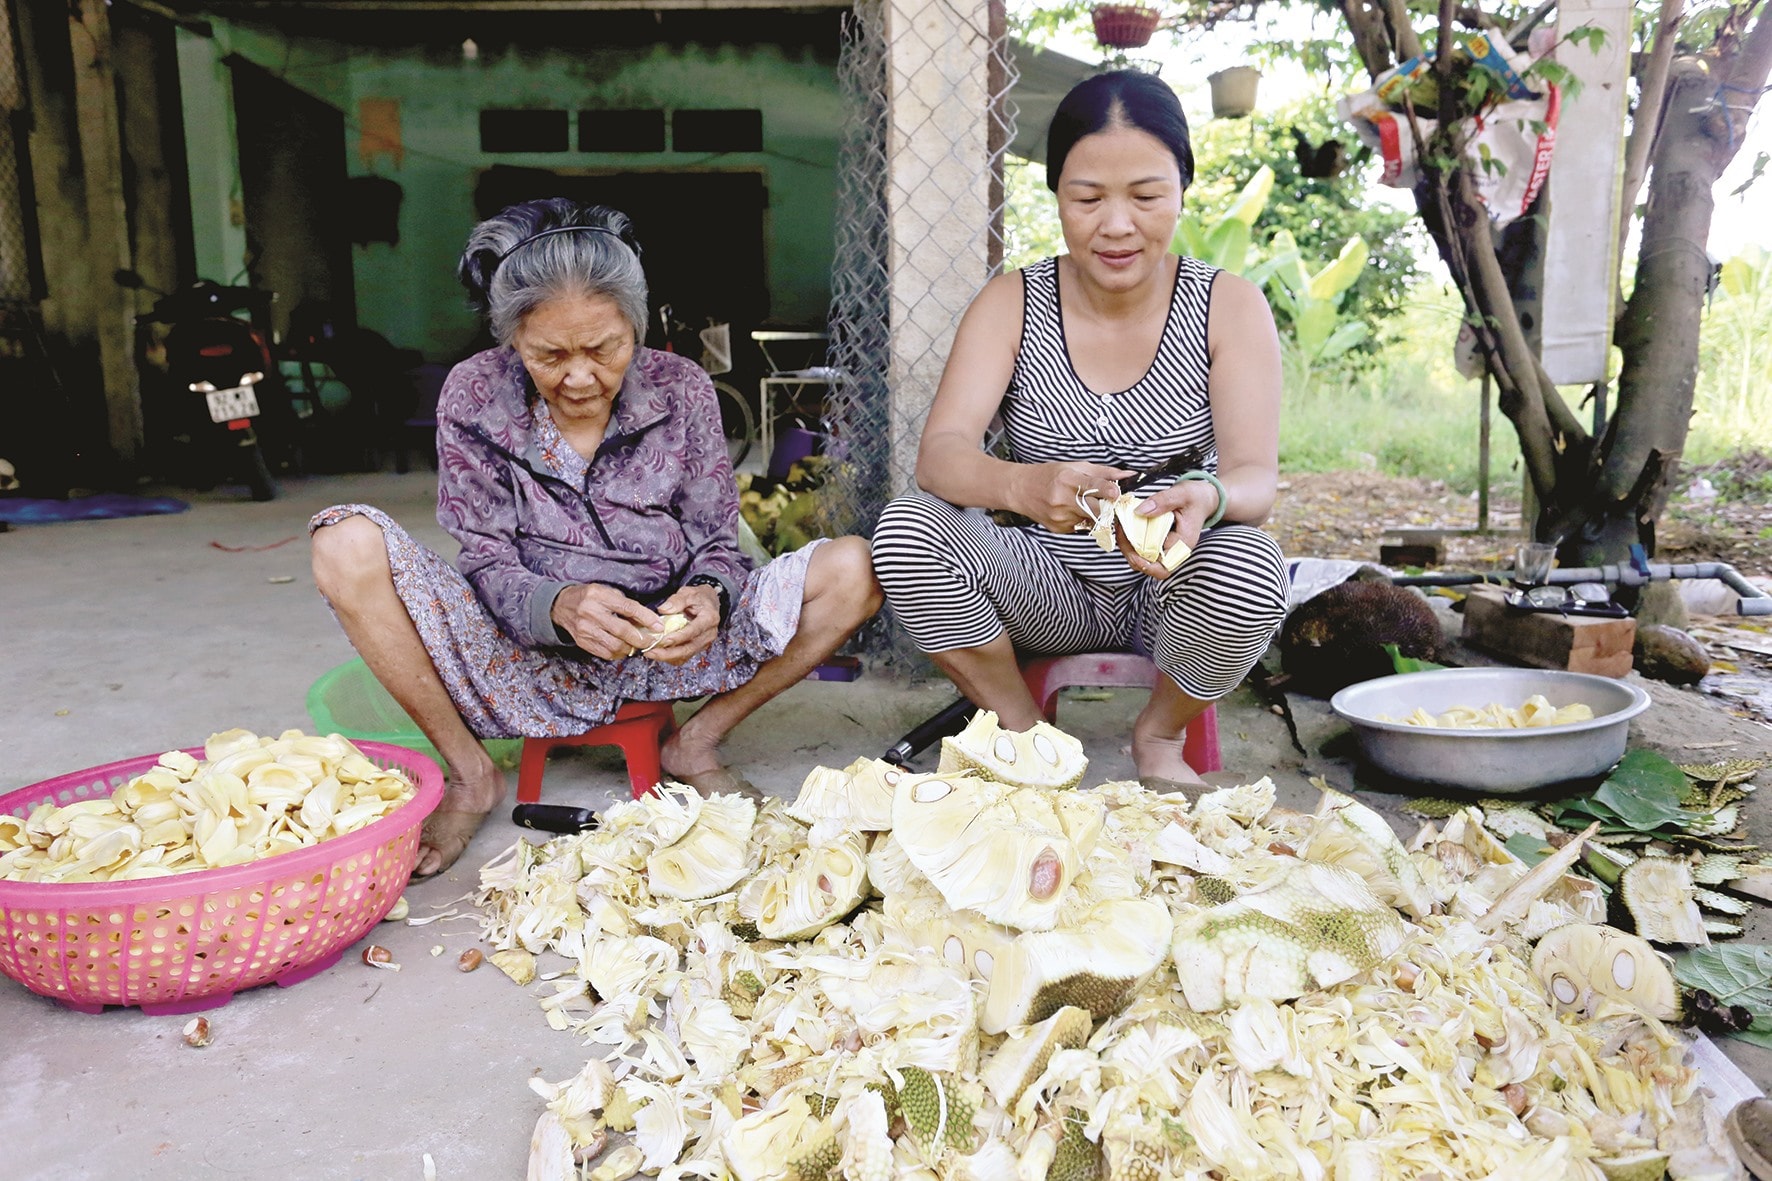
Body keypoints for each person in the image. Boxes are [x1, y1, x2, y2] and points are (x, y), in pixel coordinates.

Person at [310, 199, 881, 876]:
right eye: (549, 354)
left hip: (665, 645)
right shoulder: (474, 393)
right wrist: (558, 604)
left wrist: (708, 594)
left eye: (604, 349)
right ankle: (470, 774)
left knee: (856, 568)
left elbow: (717, 544)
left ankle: (694, 743)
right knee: (344, 542)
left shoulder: (684, 390)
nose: (579, 376)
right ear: (512, 340)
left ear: (635, 330)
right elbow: (486, 557)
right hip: (520, 653)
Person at [871, 69, 1289, 789]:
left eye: (1147, 196)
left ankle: (1160, 736)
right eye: (1088, 198)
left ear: (1183, 188)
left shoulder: (1229, 306)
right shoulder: (1012, 302)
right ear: (1057, 195)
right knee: (907, 531)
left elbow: (1255, 478)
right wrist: (1023, 486)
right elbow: (940, 458)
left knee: (1254, 565)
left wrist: (1205, 499)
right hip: (1044, 582)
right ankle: (1025, 735)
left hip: (1172, 585)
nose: (1117, 224)